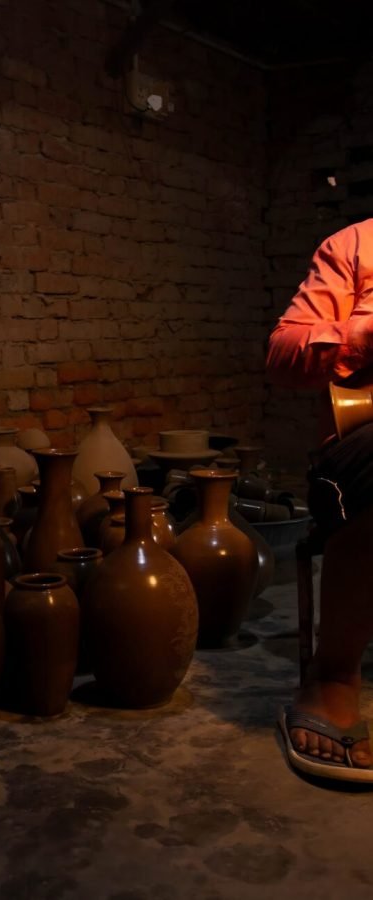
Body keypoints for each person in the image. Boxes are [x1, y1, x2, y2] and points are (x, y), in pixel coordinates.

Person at [266, 217, 373, 782]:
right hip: (364, 444)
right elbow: (283, 353)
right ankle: (333, 676)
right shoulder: (355, 245)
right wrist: (361, 337)